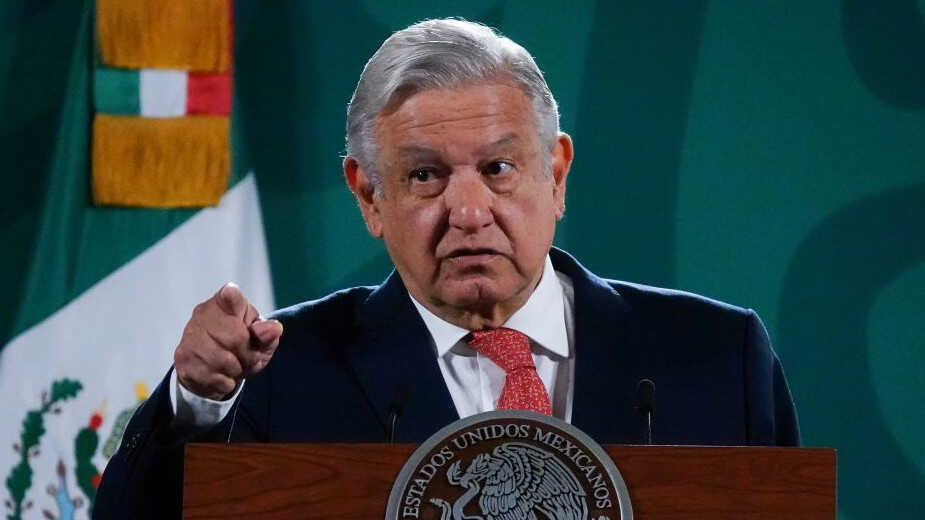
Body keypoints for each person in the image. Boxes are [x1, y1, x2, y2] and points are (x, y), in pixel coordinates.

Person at [93, 18, 798, 519]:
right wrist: (196, 402)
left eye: (498, 168)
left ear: (556, 175)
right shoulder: (280, 370)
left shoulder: (717, 356)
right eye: (425, 176)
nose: (468, 211)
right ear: (369, 196)